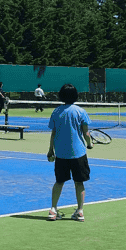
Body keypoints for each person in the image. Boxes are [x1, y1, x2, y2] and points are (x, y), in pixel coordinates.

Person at [46, 83, 92, 222]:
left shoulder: (56, 112)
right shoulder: (81, 111)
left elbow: (53, 134)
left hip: (61, 154)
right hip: (78, 154)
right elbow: (86, 133)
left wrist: (50, 150)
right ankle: (80, 211)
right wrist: (90, 144)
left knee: (59, 182)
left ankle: (53, 210)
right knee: (79, 183)